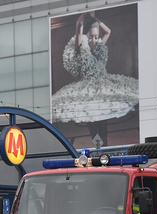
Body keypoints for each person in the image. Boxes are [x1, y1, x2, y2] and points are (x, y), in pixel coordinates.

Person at [52, 12, 139, 144]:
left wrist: (95, 20)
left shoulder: (100, 46)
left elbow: (108, 31)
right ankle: (98, 147)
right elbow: (79, 30)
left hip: (104, 84)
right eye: (91, 36)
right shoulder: (82, 47)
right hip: (87, 87)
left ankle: (105, 146)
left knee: (102, 120)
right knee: (92, 121)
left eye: (96, 36)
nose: (94, 39)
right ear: (86, 36)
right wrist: (80, 23)